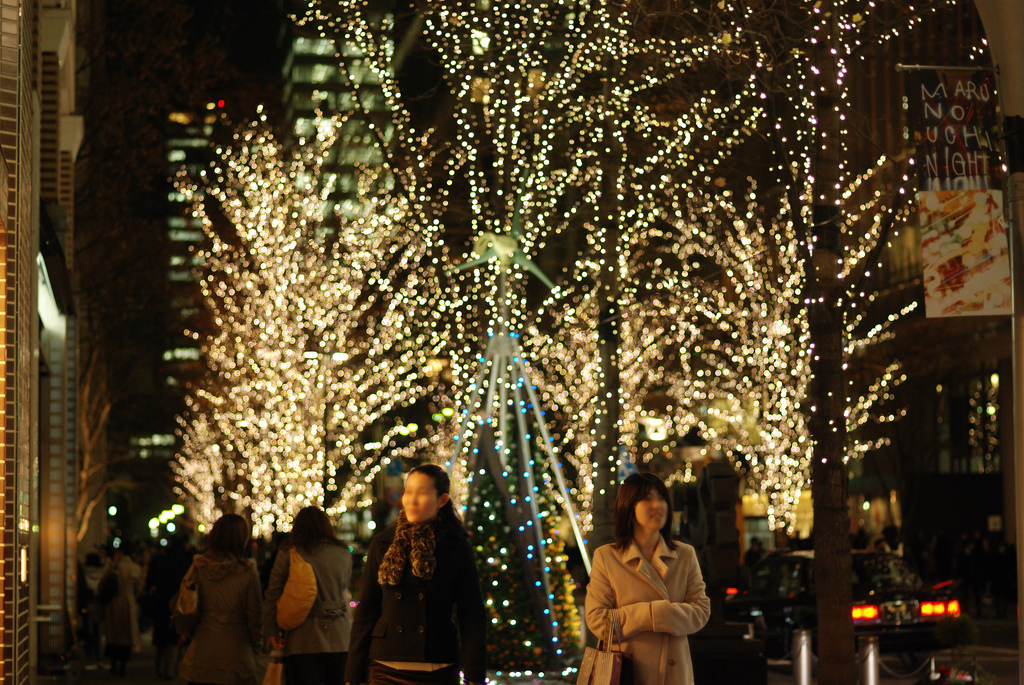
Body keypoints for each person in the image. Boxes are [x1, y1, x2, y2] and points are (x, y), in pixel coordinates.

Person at [345, 464, 487, 685]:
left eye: (421, 493)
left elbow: (471, 615)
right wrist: (352, 676)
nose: (412, 500)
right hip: (385, 664)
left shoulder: (456, 546)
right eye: (408, 492)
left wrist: (475, 677)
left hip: (437, 663)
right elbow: (367, 611)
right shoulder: (383, 542)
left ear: (442, 500)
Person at [585, 472, 711, 685]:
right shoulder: (607, 556)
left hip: (674, 676)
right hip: (627, 674)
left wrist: (658, 615)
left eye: (661, 498)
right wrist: (653, 614)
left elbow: (701, 611)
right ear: (628, 506)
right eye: (646, 499)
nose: (657, 505)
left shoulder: (684, 554)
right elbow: (598, 620)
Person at [264, 506, 353, 685]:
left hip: (302, 639)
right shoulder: (343, 552)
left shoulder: (289, 553)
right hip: (340, 638)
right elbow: (344, 589)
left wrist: (272, 630)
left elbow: (273, 594)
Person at [175, 513, 262, 685]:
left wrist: (188, 632)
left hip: (202, 650)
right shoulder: (247, 571)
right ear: (241, 539)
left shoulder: (199, 566)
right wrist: (256, 645)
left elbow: (186, 602)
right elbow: (255, 615)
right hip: (236, 652)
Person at [102, 542, 144, 677]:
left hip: (114, 603)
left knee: (113, 634)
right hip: (128, 603)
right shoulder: (135, 568)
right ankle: (123, 665)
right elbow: (139, 589)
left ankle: (113, 664)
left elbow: (103, 582)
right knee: (126, 635)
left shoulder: (114, 566)